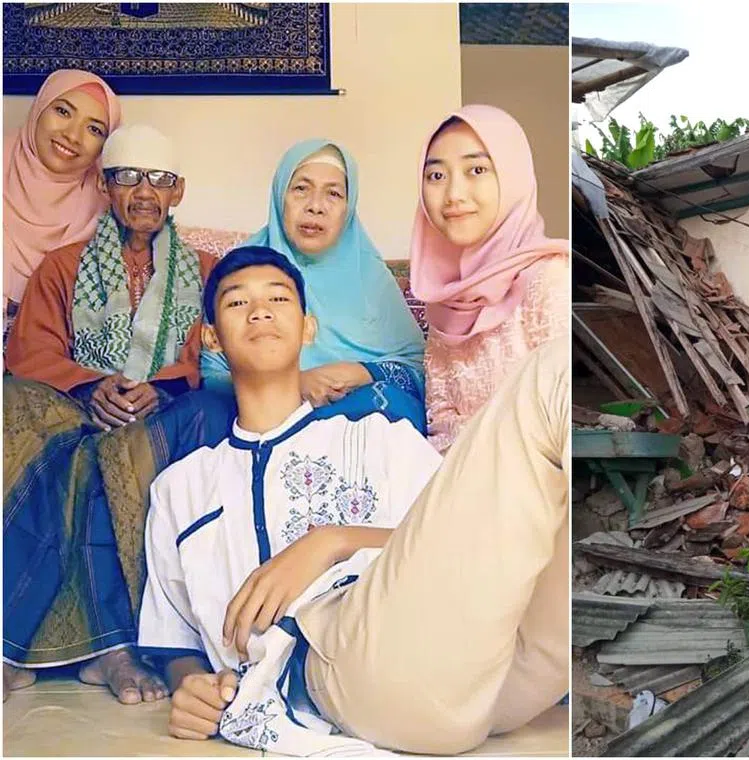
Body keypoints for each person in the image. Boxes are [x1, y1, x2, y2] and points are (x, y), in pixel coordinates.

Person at [140, 247, 568, 755]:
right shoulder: (179, 488)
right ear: (211, 337)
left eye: (279, 299)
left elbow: (461, 544)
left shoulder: (380, 439)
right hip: (367, 674)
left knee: (558, 367)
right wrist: (192, 687)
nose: (260, 312)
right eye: (237, 303)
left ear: (308, 328)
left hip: (506, 665)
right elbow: (175, 639)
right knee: (549, 377)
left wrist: (334, 541)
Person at [3, 124, 216, 704]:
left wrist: (163, 388)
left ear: (177, 192)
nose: (144, 192)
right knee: (19, 409)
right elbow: (31, 351)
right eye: (128, 177)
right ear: (104, 186)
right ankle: (16, 646)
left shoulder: (205, 268)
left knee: (210, 409)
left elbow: (215, 349)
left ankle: (119, 648)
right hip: (78, 411)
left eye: (159, 179)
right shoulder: (61, 266)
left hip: (165, 413)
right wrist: (93, 385)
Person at [200, 140, 426, 431]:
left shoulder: (370, 276)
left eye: (333, 193)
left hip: (356, 418)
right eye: (301, 189)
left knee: (390, 404)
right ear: (280, 196)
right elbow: (212, 375)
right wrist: (293, 385)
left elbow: (418, 372)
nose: (315, 207)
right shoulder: (241, 270)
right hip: (261, 417)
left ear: (349, 208)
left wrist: (360, 372)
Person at [410, 104, 569, 452]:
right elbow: (440, 418)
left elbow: (562, 425)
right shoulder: (444, 295)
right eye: (436, 176)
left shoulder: (550, 281)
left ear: (513, 177)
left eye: (477, 170)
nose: (453, 194)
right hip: (453, 474)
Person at [3, 69, 121, 315]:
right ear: (39, 108)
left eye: (94, 129)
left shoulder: (109, 210)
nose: (72, 135)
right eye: (63, 112)